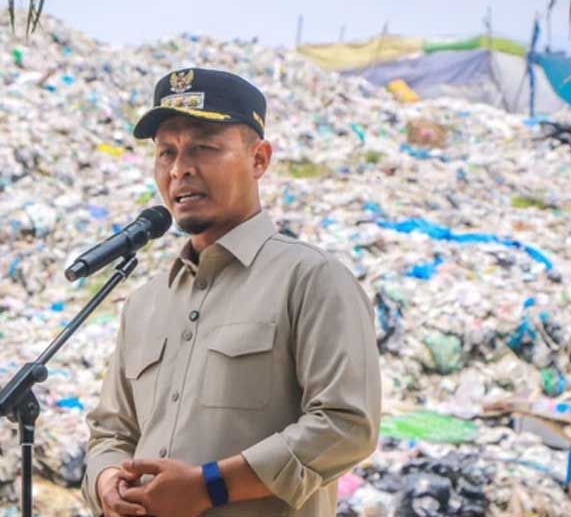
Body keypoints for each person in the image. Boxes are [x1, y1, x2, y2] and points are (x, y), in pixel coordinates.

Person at [81, 67, 381, 517]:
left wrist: (209, 486)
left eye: (203, 147)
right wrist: (106, 482)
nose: (180, 168)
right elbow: (111, 432)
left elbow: (346, 425)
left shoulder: (311, 279)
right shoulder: (145, 303)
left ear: (259, 159)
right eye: (166, 152)